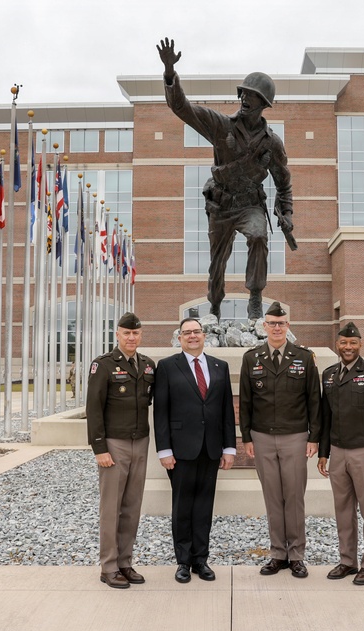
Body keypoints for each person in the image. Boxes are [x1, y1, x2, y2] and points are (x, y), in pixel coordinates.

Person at [158, 38, 295, 320]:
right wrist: (170, 75)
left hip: (249, 206)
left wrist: (287, 213)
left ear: (264, 103)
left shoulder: (273, 144)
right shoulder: (221, 126)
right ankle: (216, 306)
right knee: (217, 263)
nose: (245, 99)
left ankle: (255, 298)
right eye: (243, 94)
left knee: (258, 236)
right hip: (220, 206)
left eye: (252, 96)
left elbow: (284, 184)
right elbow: (182, 108)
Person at [240, 301, 321, 578]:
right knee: (273, 497)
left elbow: (314, 400)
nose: (276, 327)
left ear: (288, 326)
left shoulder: (304, 357)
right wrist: (246, 437)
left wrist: (314, 437)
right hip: (262, 437)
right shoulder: (252, 358)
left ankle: (296, 555)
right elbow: (247, 400)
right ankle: (277, 554)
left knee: (294, 496)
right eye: (272, 323)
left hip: (296, 436)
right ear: (264, 326)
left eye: (281, 323)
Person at [154, 318, 236, 584]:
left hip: (211, 449)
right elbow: (161, 412)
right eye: (187, 333)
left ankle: (201, 560)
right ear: (179, 338)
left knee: (204, 506)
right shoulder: (167, 367)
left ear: (204, 335)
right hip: (180, 450)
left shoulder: (219, 366)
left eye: (196, 332)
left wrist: (229, 447)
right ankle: (183, 561)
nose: (192, 336)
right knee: (183, 507)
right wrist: (164, 449)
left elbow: (226, 411)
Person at [318, 322, 364, 586]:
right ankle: (347, 561)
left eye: (352, 343)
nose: (347, 347)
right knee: (343, 509)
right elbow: (325, 417)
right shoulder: (328, 375)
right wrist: (323, 453)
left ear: (360, 344)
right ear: (337, 345)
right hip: (338, 452)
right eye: (343, 343)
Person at [86, 312, 156, 590]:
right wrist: (99, 448)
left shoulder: (148, 366)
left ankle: (125, 562)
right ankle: (109, 566)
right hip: (113, 445)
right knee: (111, 508)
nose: (131, 337)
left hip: (140, 442)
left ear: (141, 335)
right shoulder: (103, 365)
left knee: (132, 507)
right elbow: (94, 409)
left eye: (135, 333)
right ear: (117, 334)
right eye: (126, 333)